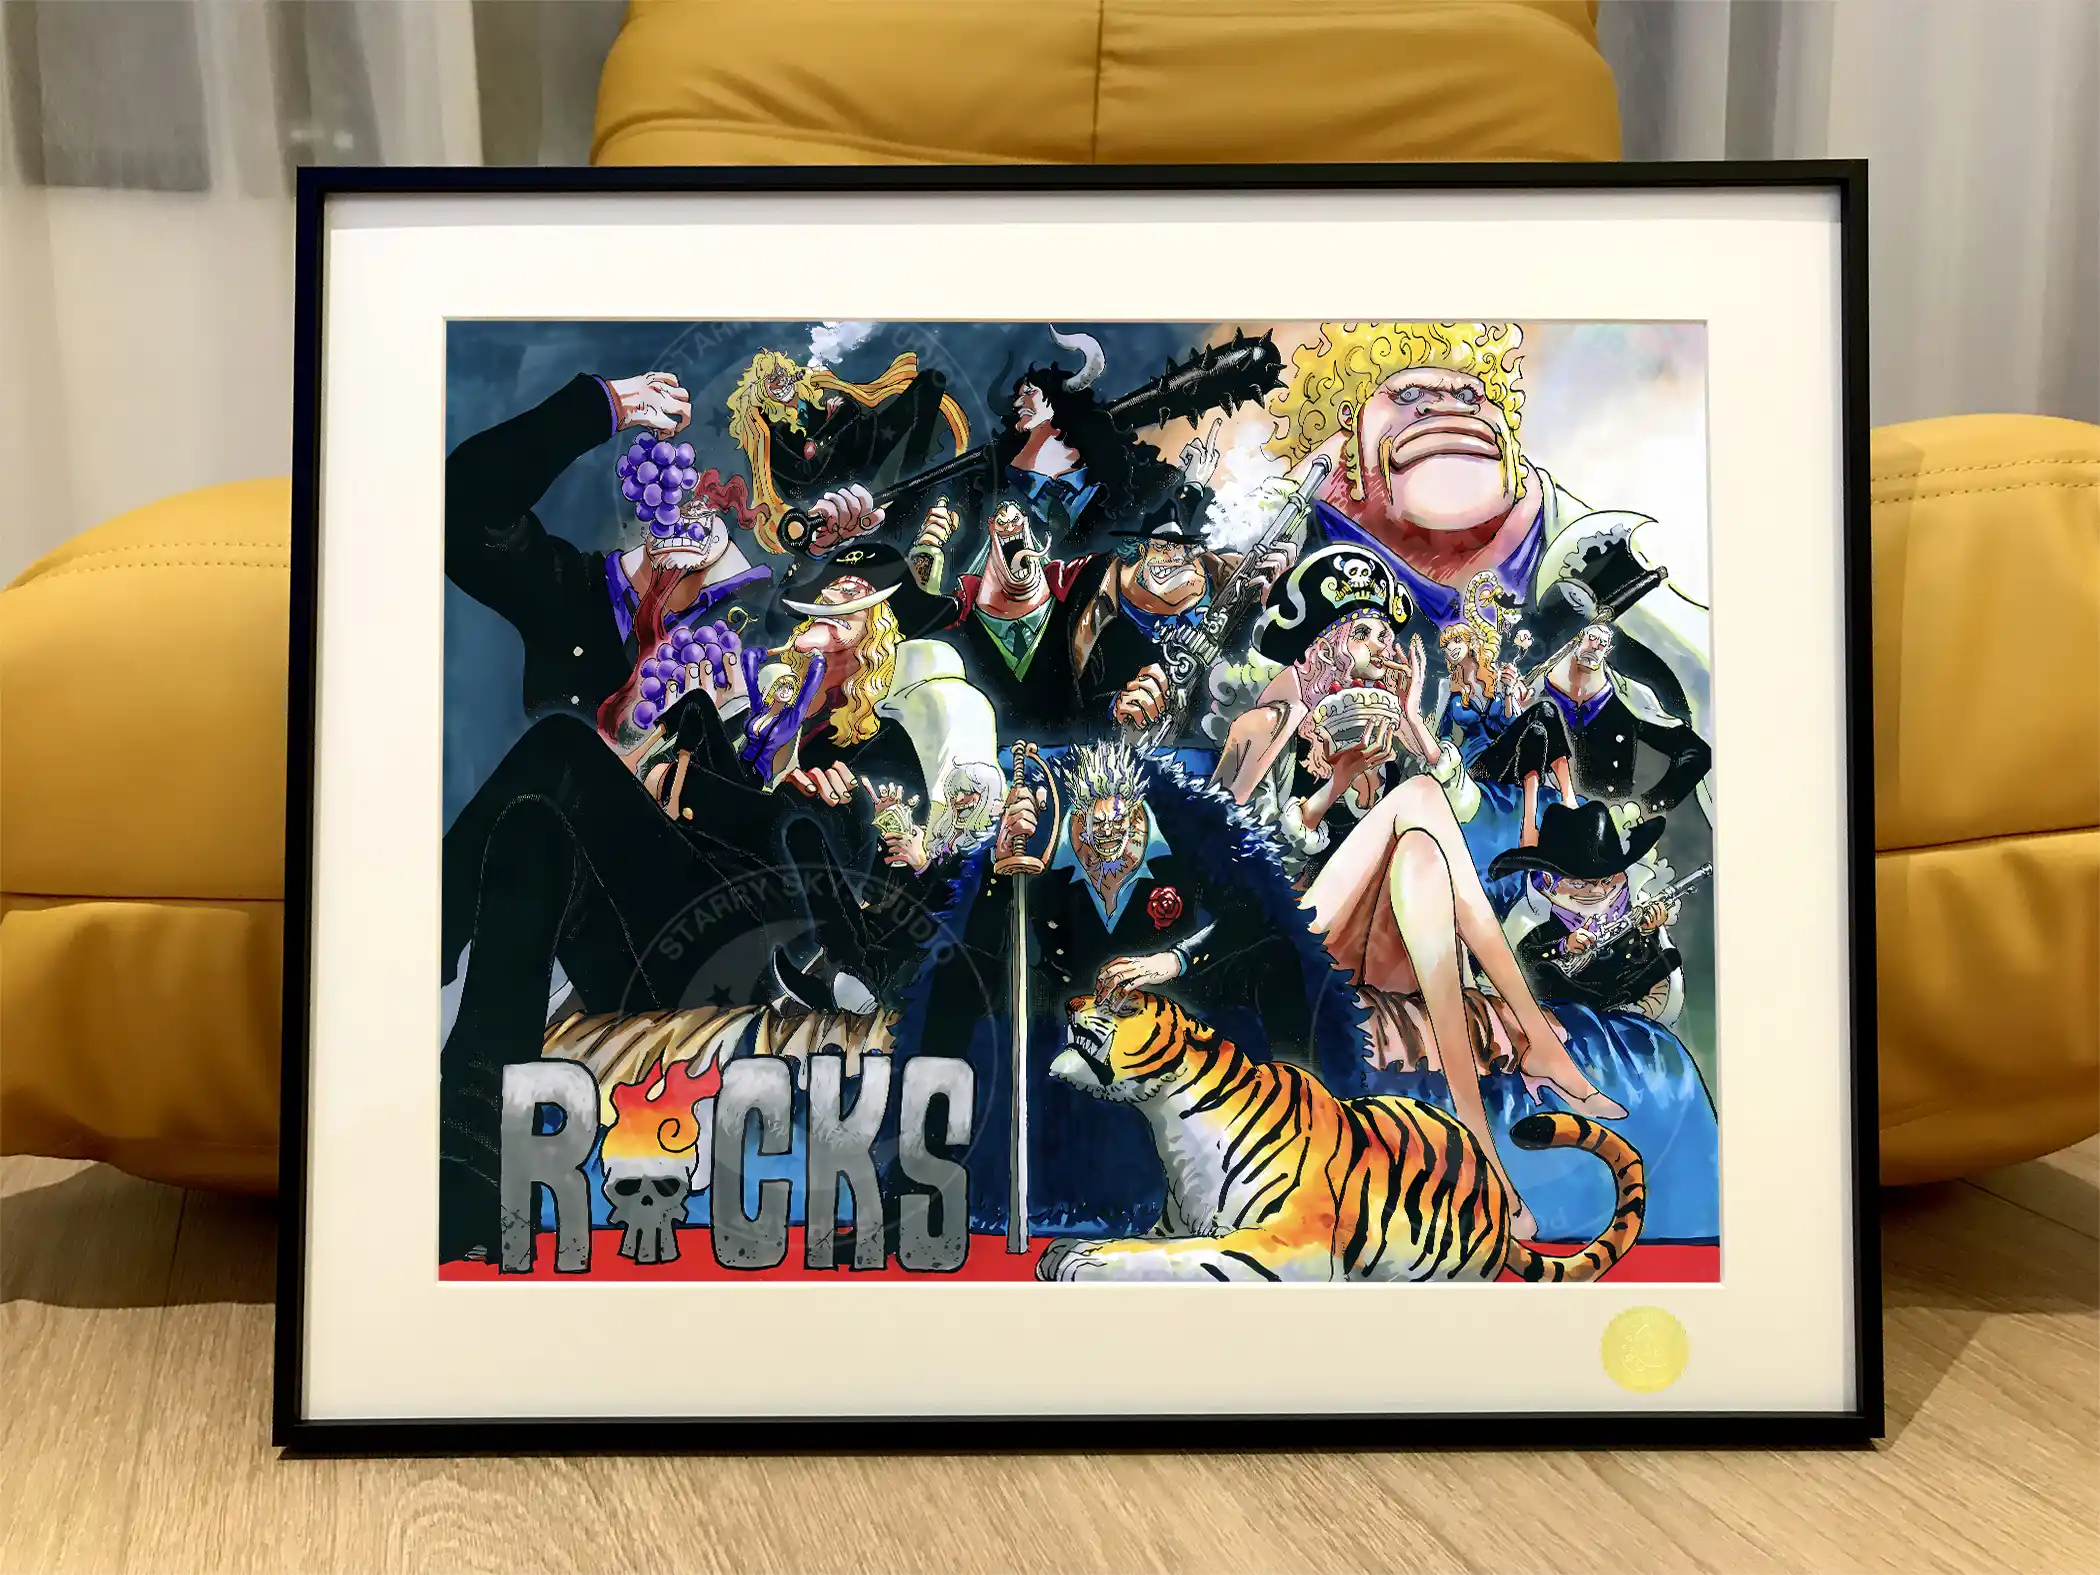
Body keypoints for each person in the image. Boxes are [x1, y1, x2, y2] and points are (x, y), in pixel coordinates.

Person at [903, 741, 1364, 1237]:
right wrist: (1000, 867)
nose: (1107, 842)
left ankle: (1309, 1138)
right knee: (957, 974)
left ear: (1138, 812)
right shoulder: (1040, 838)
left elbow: (1251, 915)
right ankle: (923, 1173)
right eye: (1093, 827)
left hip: (1176, 990)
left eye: (1120, 827)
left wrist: (1175, 959)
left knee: (1276, 959)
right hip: (1065, 991)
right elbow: (982, 942)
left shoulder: (1188, 837)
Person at [1267, 322, 1711, 756]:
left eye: (1468, 397)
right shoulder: (1283, 534)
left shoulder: (1594, 550)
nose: (1445, 409)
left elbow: (1700, 681)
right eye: (1408, 395)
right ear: (1348, 423)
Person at [726, 346, 969, 553]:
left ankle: (910, 475)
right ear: (761, 391)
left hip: (869, 441)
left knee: (931, 380)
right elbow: (806, 475)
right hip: (845, 483)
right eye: (772, 380)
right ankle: (906, 495)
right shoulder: (772, 434)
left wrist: (821, 441)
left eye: (781, 373)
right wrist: (834, 430)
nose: (781, 381)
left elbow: (850, 409)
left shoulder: (812, 398)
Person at [1491, 802, 1686, 1022]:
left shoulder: (1626, 914)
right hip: (1570, 1002)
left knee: (1667, 959)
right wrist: (1564, 946)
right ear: (1546, 882)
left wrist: (1647, 932)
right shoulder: (1537, 925)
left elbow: (1637, 960)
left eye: (1608, 881)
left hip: (1623, 995)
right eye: (1579, 884)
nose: (1598, 892)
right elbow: (1524, 959)